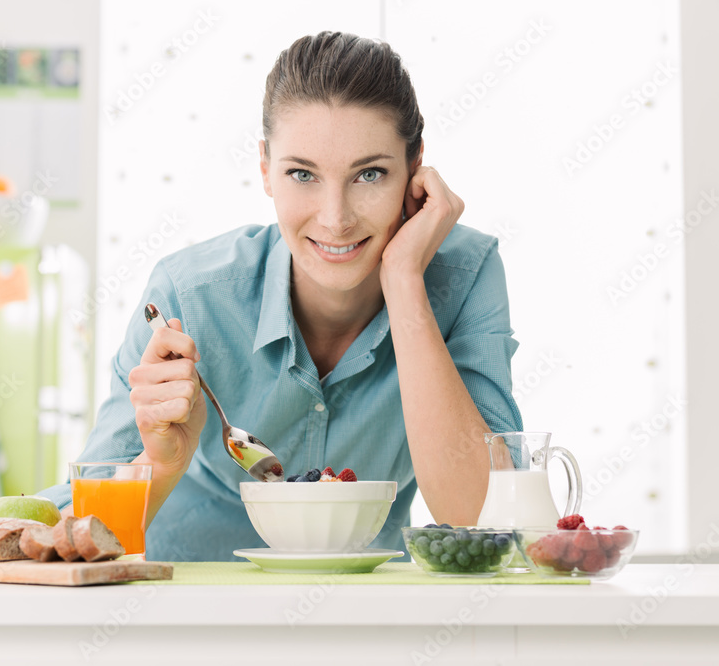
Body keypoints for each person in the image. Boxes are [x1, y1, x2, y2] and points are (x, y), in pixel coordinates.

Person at [38, 31, 523, 561]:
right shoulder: (190, 296)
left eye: (370, 174)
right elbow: (73, 534)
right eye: (302, 174)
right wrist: (162, 461)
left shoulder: (464, 274)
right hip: (182, 617)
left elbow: (486, 519)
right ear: (266, 168)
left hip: (369, 624)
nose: (335, 220)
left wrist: (405, 282)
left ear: (415, 167)